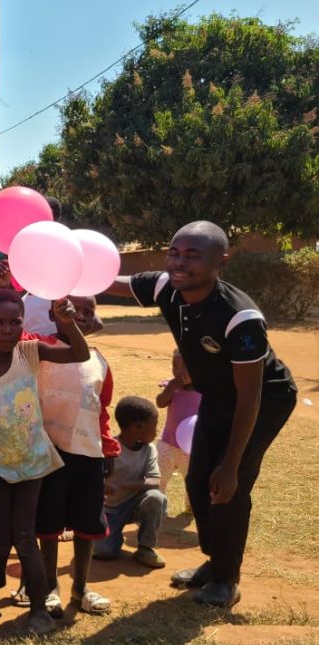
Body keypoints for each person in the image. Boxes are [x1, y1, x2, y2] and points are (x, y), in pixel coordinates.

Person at [104, 221, 296, 608]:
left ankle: (227, 579)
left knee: (228, 484)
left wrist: (231, 463)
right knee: (197, 484)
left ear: (220, 261)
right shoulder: (167, 288)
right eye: (175, 252)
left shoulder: (239, 318)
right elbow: (114, 282)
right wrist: (67, 276)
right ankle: (215, 562)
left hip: (262, 402)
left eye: (193, 256)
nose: (179, 262)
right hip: (216, 396)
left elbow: (250, 394)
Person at [0, 289, 90, 634]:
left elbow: (80, 352)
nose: (7, 329)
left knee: (24, 534)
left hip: (32, 462)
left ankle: (37, 609)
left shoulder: (30, 352)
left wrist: (68, 323)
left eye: (15, 322)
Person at [26, 295, 120, 618]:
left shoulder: (99, 360)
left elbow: (101, 409)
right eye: (72, 309)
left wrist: (107, 447)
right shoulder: (40, 347)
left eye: (88, 311)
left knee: (87, 523)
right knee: (48, 523)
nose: (79, 315)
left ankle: (81, 588)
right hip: (49, 452)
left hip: (88, 454)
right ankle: (51, 587)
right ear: (53, 317)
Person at [95, 397, 167, 569]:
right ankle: (110, 535)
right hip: (108, 509)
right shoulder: (108, 449)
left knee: (155, 498)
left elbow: (154, 481)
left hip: (133, 504)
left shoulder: (149, 450)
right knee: (104, 552)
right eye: (154, 425)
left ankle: (145, 548)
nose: (157, 431)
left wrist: (124, 485)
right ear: (139, 426)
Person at [156, 349, 201, 498]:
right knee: (158, 478)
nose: (180, 371)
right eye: (175, 365)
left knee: (192, 481)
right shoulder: (171, 387)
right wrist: (170, 388)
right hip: (167, 442)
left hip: (191, 448)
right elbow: (160, 402)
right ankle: (156, 505)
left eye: (186, 366)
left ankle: (191, 506)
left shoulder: (204, 390)